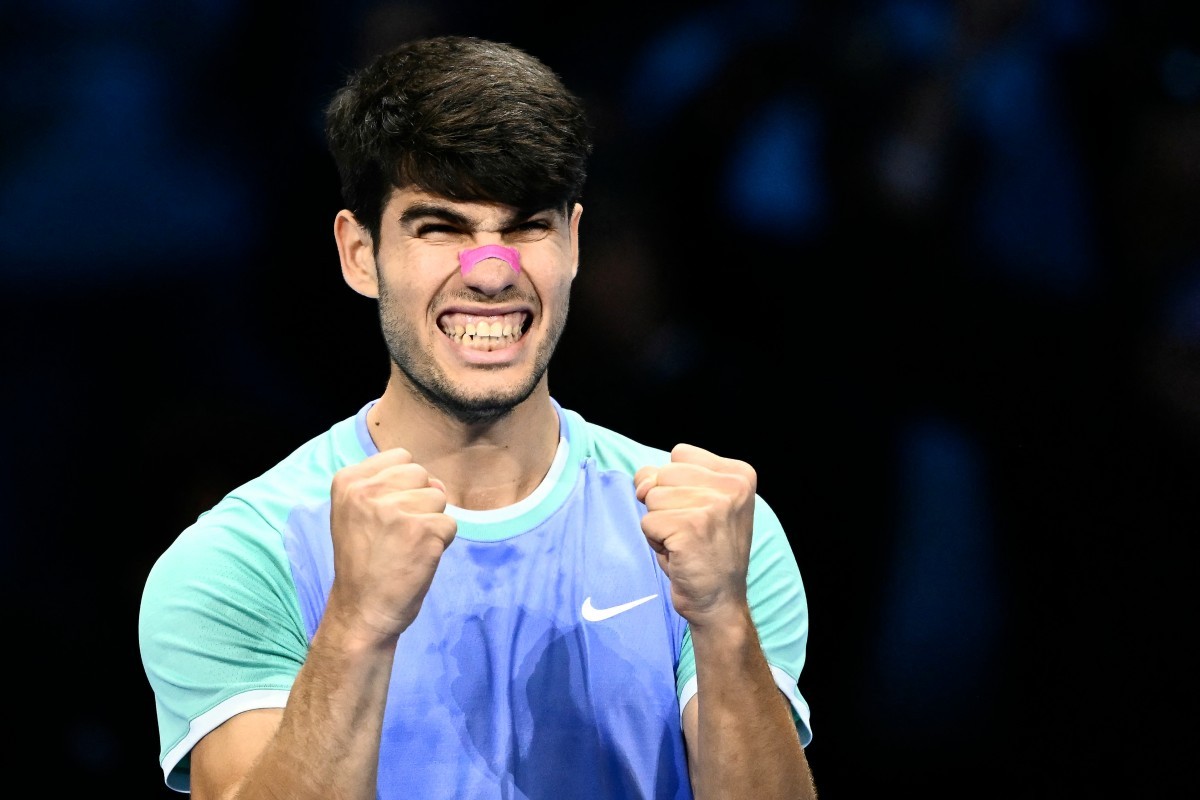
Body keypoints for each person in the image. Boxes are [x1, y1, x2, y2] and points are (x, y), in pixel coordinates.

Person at [137, 34, 816, 800]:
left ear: (573, 244)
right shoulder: (240, 558)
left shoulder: (714, 534)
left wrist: (723, 621)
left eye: (528, 225)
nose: (491, 272)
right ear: (359, 254)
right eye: (442, 228)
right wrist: (355, 627)